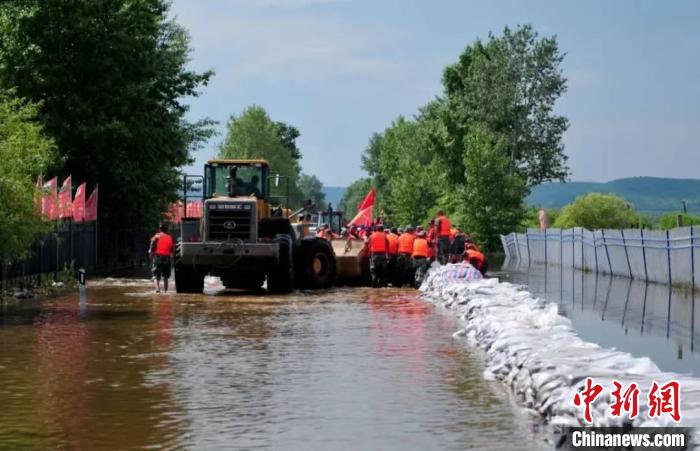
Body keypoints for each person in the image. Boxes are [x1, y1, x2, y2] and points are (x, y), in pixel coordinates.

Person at [149, 223, 174, 293]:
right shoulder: (170, 237)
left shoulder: (157, 236)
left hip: (158, 257)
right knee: (165, 276)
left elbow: (152, 245)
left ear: (159, 229)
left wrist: (151, 254)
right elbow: (172, 249)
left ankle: (157, 290)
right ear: (167, 230)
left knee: (155, 275)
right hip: (167, 258)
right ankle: (166, 291)